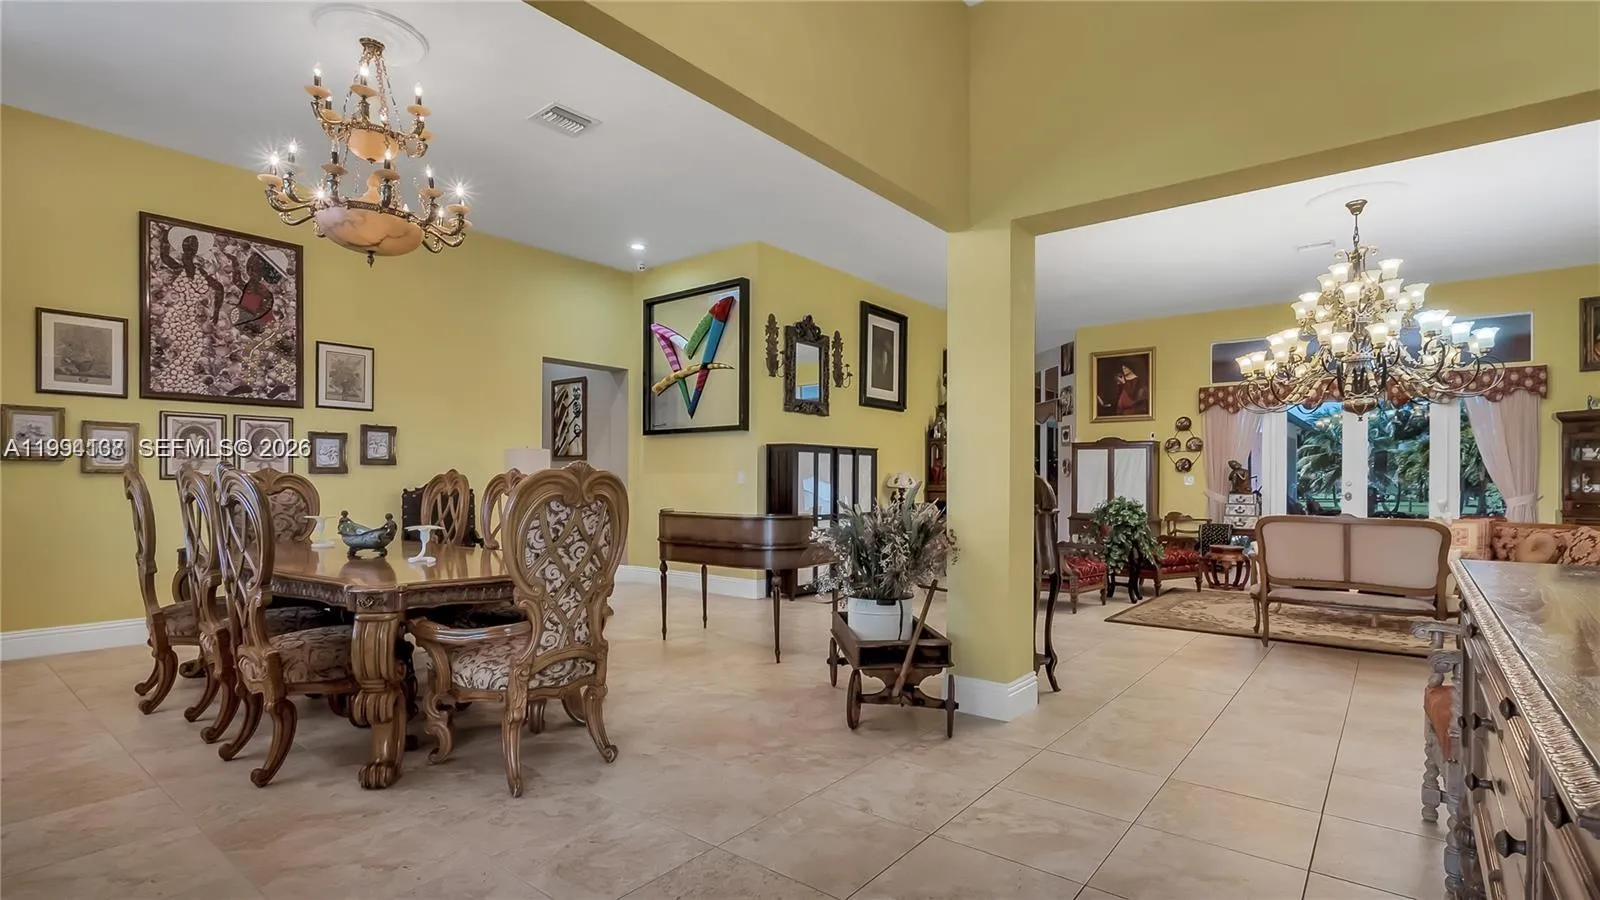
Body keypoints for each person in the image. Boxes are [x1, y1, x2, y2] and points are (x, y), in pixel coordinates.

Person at [151, 228, 224, 394]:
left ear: (196, 250)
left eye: (192, 247)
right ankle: (173, 382)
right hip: (177, 317)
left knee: (192, 352)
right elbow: (164, 256)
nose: (188, 250)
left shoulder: (200, 272)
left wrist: (216, 311)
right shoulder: (178, 268)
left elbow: (219, 288)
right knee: (180, 351)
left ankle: (184, 384)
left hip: (192, 318)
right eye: (186, 246)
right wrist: (165, 235)